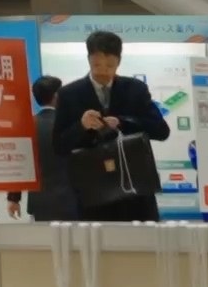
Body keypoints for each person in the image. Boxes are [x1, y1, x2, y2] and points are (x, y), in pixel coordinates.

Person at [43, 32, 169, 222]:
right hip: (94, 193)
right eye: (96, 65)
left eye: (110, 65)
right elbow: (59, 146)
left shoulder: (135, 89)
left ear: (119, 61)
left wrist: (123, 122)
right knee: (96, 240)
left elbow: (161, 131)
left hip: (135, 190)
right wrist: (81, 126)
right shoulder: (69, 94)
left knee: (142, 240)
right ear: (88, 59)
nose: (103, 71)